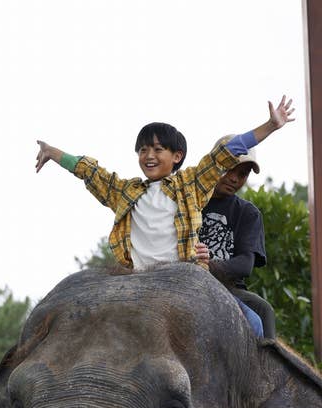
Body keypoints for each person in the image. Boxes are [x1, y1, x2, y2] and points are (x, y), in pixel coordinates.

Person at [36, 97, 294, 335]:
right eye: (143, 150)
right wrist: (52, 152)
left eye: (158, 149)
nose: (149, 156)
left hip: (183, 278)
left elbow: (226, 153)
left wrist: (270, 125)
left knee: (255, 322)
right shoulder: (125, 192)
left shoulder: (190, 185)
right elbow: (90, 172)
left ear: (177, 156)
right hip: (138, 280)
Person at [197, 144, 276, 338]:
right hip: (181, 278)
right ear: (213, 165)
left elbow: (245, 265)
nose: (234, 178)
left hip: (228, 287)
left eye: (242, 174)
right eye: (229, 169)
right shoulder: (189, 202)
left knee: (263, 311)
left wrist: (204, 266)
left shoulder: (248, 213)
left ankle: (265, 358)